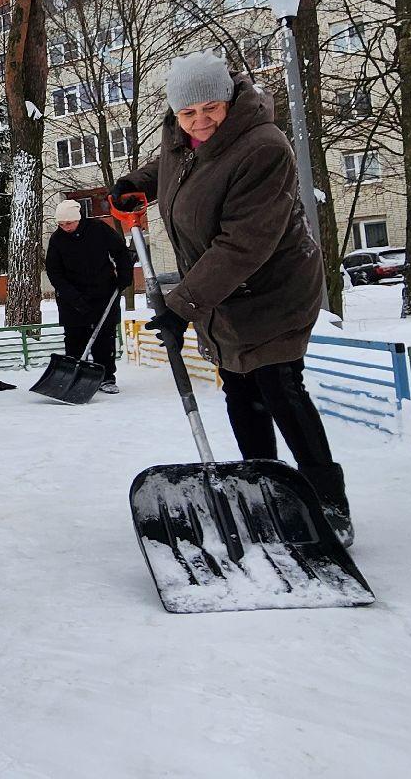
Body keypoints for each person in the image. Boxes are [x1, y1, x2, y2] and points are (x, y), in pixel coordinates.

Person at [108, 52, 354, 543]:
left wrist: (181, 306)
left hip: (272, 289)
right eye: (188, 112)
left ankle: (329, 504)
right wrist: (138, 183)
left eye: (210, 108)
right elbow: (178, 165)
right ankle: (263, 488)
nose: (200, 121)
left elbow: (243, 244)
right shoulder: (182, 135)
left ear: (229, 100)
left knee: (279, 387)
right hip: (221, 289)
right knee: (240, 390)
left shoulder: (263, 147)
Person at [44, 198, 134, 394]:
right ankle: (74, 378)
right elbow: (54, 272)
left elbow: (121, 252)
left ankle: (106, 377)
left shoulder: (98, 230)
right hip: (72, 298)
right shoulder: (57, 240)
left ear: (78, 218)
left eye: (69, 223)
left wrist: (125, 276)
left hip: (103, 293)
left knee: (104, 337)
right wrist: (73, 298)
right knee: (75, 337)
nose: (65, 227)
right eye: (61, 224)